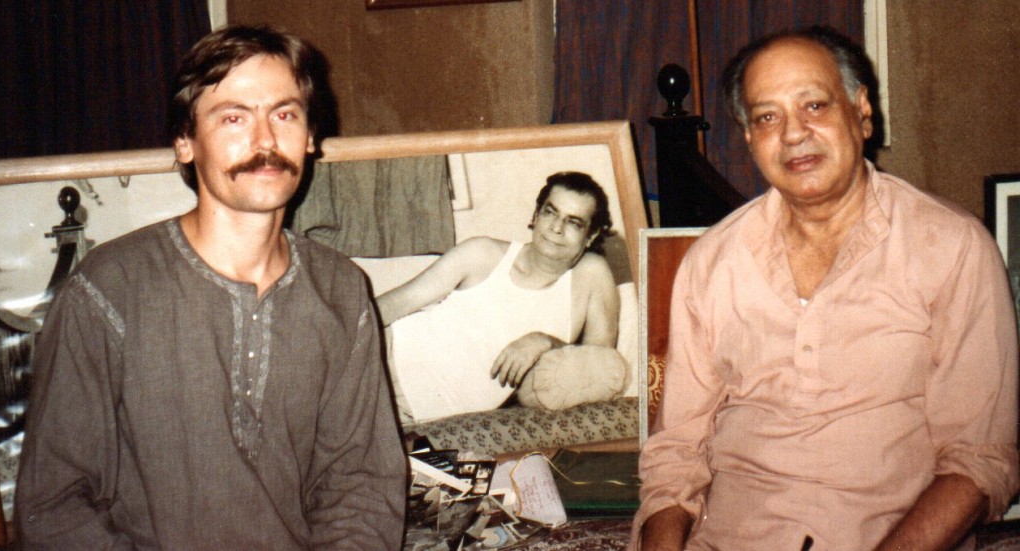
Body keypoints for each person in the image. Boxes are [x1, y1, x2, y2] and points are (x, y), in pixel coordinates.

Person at [15, 25, 406, 549]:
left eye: (285, 114)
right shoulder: (107, 291)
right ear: (184, 142)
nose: (265, 142)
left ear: (311, 137)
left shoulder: (340, 291)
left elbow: (362, 489)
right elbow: (54, 507)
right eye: (234, 118)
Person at [632, 26, 1019, 551]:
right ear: (749, 137)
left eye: (814, 105)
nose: (793, 133)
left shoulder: (950, 248)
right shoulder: (712, 262)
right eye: (767, 117)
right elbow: (675, 454)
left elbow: (980, 461)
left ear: (862, 111)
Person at [377, 171, 620, 423]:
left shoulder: (591, 274)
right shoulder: (483, 253)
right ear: (535, 216)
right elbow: (393, 304)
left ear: (591, 236)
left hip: (417, 416)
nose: (556, 228)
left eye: (573, 222)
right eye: (550, 212)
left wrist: (547, 342)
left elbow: (601, 367)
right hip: (383, 358)